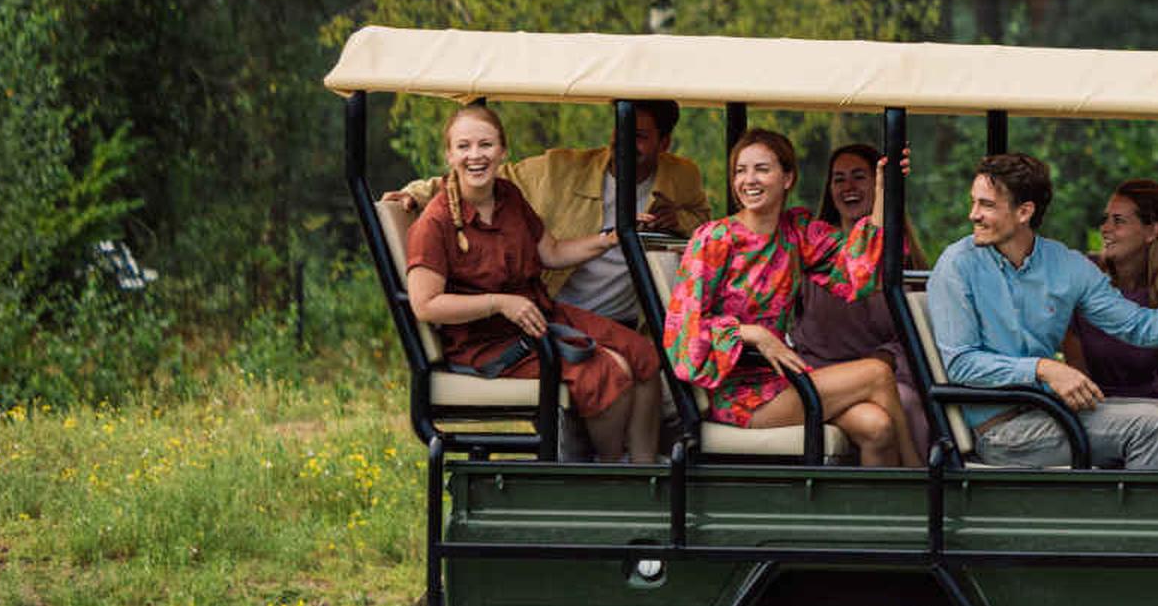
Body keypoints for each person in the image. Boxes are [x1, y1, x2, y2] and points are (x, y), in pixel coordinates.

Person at [928, 151, 1158, 471]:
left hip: (1050, 411)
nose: (973, 214)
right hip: (1001, 430)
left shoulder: (1065, 265)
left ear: (1024, 212)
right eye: (974, 202)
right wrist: (1043, 368)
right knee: (1147, 426)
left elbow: (1139, 326)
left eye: (986, 205)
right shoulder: (958, 265)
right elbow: (961, 364)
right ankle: (1138, 522)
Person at [395, 101, 666, 462]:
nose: (475, 155)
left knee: (644, 354)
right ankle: (611, 474)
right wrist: (499, 302)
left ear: (502, 151)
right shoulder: (436, 223)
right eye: (464, 146)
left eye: (486, 145)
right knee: (607, 373)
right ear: (449, 155)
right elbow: (426, 304)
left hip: (539, 316)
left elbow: (551, 252)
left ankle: (649, 476)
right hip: (488, 342)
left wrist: (611, 237)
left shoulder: (508, 196)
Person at [662, 128, 911, 466]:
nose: (749, 180)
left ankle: (876, 516)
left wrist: (884, 191)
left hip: (781, 381)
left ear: (787, 177)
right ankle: (923, 484)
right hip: (739, 396)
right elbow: (682, 335)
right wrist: (750, 333)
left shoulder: (794, 233)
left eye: (762, 169)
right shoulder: (715, 239)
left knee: (876, 426)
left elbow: (859, 270)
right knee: (877, 374)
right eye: (741, 170)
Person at [385, 99, 708, 325]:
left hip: (632, 317)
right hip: (558, 305)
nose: (623, 144)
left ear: (664, 143)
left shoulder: (682, 175)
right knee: (611, 375)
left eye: (637, 136)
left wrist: (678, 221)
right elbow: (488, 175)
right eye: (619, 132)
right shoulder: (560, 168)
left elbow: (703, 223)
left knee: (647, 371)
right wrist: (419, 192)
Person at [794, 140, 932, 462]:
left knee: (906, 401)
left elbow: (913, 332)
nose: (848, 187)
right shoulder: (815, 250)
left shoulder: (901, 256)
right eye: (839, 179)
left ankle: (918, 489)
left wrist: (886, 356)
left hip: (889, 373)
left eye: (859, 177)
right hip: (823, 373)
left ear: (878, 185)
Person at [1067, 179, 1158, 409]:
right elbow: (1077, 377)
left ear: (1152, 231)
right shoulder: (1084, 276)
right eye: (1106, 219)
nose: (1105, 228)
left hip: (1154, 414)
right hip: (1091, 410)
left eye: (1118, 221)